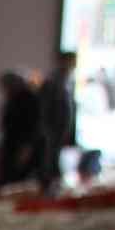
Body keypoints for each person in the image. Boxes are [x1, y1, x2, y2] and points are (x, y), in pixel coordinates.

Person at [0, 71, 47, 186]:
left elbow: (32, 126)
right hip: (13, 144)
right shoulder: (12, 99)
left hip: (23, 146)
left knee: (21, 181)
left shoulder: (29, 99)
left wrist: (26, 148)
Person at [40, 51, 78, 185]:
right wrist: (48, 130)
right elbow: (46, 108)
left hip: (60, 129)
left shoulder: (67, 80)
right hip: (53, 130)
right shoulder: (53, 81)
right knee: (51, 161)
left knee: (56, 159)